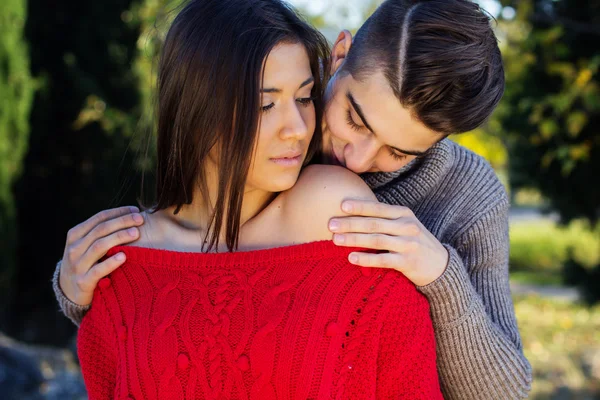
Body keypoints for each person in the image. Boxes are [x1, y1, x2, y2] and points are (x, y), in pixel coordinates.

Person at [53, 0, 532, 398]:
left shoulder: (468, 194)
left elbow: (504, 391)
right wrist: (79, 287)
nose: (359, 159)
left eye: (398, 151)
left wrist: (440, 274)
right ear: (339, 56)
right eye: (355, 120)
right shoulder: (280, 105)